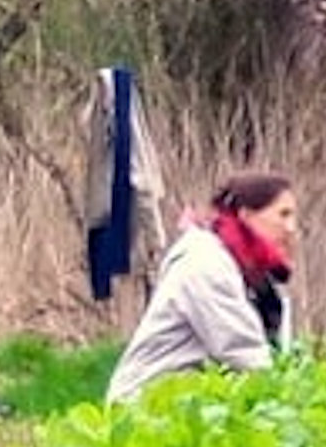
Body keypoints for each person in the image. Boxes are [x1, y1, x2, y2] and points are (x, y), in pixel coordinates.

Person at [106, 171, 298, 402]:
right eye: (283, 215)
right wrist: (292, 403)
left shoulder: (254, 276)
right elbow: (243, 353)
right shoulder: (205, 263)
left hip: (190, 403)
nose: (291, 228)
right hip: (145, 404)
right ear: (246, 215)